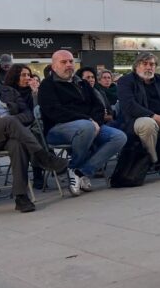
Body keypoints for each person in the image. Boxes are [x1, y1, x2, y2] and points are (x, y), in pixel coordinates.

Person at [0, 54, 69, 212]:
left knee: (17, 144)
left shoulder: (9, 91)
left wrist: (11, 119)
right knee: (9, 121)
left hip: (11, 134)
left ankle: (21, 197)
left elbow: (28, 115)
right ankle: (43, 156)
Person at [38, 50, 127, 196]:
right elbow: (54, 111)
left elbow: (98, 107)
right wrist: (89, 120)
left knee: (119, 137)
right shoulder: (47, 85)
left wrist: (96, 122)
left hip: (89, 127)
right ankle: (76, 168)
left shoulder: (82, 83)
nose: (69, 65)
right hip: (58, 128)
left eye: (71, 61)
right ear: (54, 66)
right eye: (63, 62)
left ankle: (80, 171)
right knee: (86, 127)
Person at [4, 64, 44, 188]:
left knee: (36, 131)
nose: (27, 78)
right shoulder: (8, 91)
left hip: (34, 125)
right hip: (16, 126)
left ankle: (38, 172)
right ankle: (40, 169)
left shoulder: (33, 91)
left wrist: (36, 94)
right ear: (15, 76)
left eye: (29, 75)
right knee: (33, 134)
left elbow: (38, 112)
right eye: (23, 75)